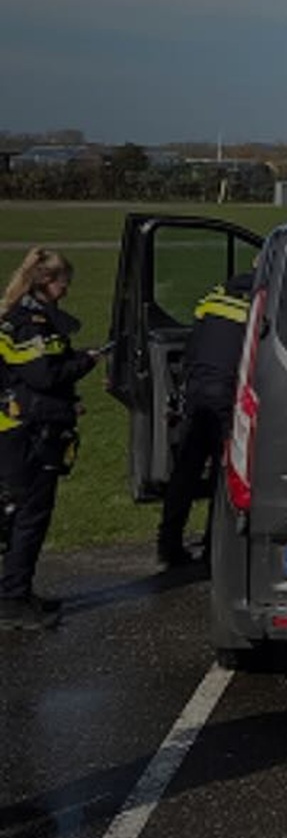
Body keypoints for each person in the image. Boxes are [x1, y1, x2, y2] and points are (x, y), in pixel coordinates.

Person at [0, 248, 101, 629]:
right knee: (29, 516)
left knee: (23, 515)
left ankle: (18, 589)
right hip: (27, 433)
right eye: (63, 283)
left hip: (27, 425)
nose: (67, 290)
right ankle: (11, 601)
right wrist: (86, 362)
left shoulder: (24, 316)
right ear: (46, 282)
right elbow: (43, 377)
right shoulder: (30, 324)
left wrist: (67, 404)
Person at [156, 271, 254, 566]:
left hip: (198, 389)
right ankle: (216, 549)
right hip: (228, 393)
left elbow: (195, 343)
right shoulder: (264, 299)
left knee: (185, 471)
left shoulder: (215, 295)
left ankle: (168, 543)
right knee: (225, 473)